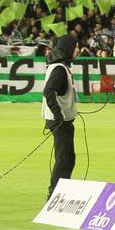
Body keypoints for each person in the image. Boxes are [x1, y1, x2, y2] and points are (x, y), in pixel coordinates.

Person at [43, 35, 79, 198]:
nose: (77, 49)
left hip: (62, 120)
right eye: (76, 46)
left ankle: (61, 191)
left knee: (68, 158)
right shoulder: (59, 69)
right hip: (60, 121)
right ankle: (54, 194)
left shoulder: (58, 66)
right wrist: (58, 116)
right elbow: (48, 91)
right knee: (64, 158)